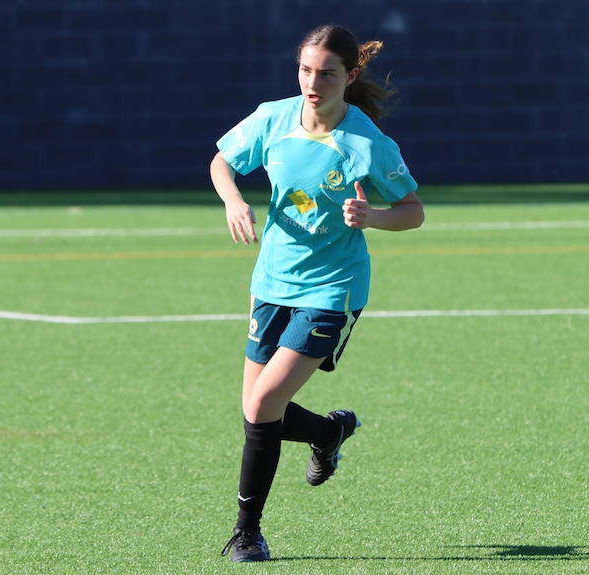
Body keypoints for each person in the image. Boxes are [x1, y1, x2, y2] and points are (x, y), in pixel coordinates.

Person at [210, 23, 424, 563]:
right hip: (272, 281)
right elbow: (222, 162)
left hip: (334, 287)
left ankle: (247, 533)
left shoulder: (366, 143)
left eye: (327, 73)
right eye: (305, 70)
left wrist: (373, 217)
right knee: (256, 408)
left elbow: (412, 211)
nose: (312, 83)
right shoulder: (273, 118)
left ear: (350, 76)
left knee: (264, 403)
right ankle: (329, 433)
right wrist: (234, 200)